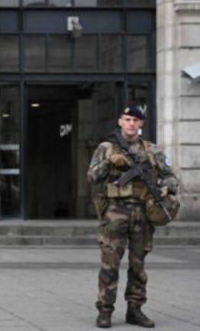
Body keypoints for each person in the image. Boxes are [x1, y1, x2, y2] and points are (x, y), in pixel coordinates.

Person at [87, 105, 180, 328]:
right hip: (115, 212)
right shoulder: (106, 148)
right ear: (120, 121)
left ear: (141, 123)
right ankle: (105, 310)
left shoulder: (152, 150)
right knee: (110, 264)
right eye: (127, 119)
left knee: (138, 265)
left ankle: (135, 309)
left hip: (143, 212)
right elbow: (92, 177)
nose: (131, 124)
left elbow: (171, 178)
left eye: (135, 120)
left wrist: (166, 187)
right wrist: (109, 161)